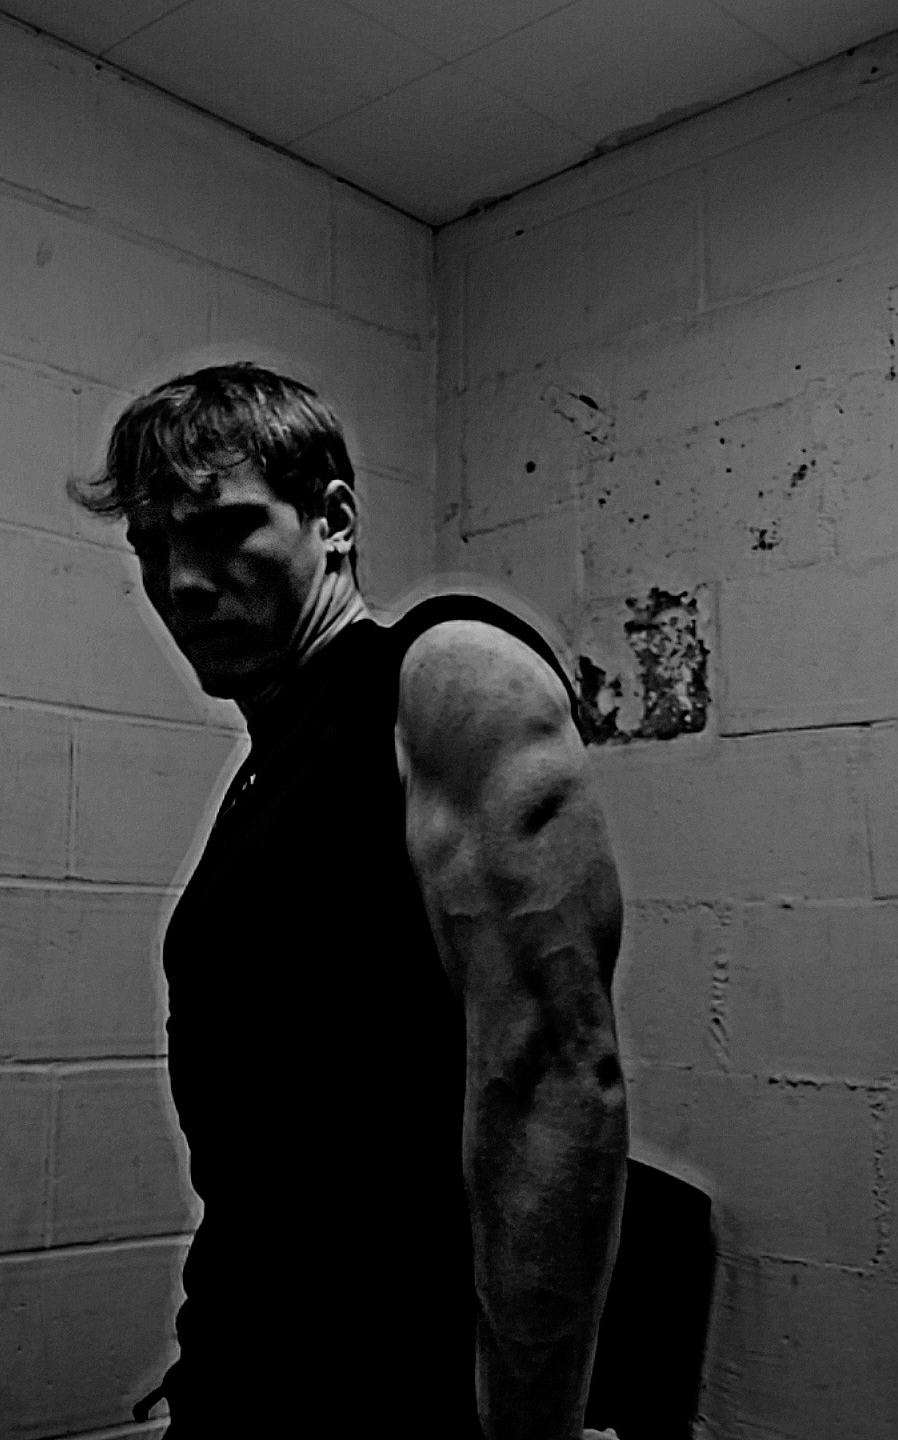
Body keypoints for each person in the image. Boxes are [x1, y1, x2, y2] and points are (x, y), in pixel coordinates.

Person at [71, 363, 627, 1440]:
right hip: (244, 1380)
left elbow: (553, 1079)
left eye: (222, 529)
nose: (182, 582)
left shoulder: (443, 674)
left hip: (397, 1400)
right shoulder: (270, 767)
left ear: (332, 521)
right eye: (150, 545)